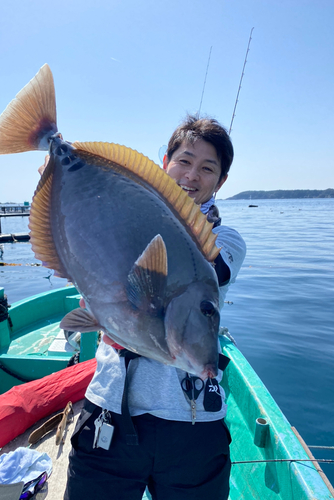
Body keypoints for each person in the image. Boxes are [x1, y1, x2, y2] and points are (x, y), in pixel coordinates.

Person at [64, 115, 246, 500]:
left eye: (207, 168)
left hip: (192, 421)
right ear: (165, 162)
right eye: (184, 161)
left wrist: (186, 221)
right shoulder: (123, 220)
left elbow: (212, 271)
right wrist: (64, 184)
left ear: (220, 181)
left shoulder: (225, 239)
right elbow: (86, 258)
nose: (192, 175)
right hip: (110, 409)